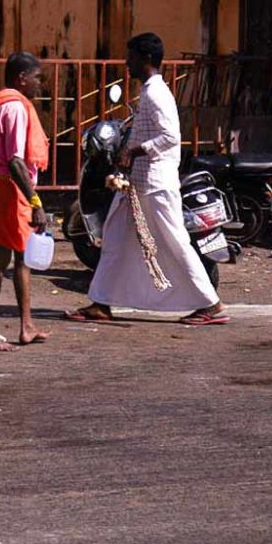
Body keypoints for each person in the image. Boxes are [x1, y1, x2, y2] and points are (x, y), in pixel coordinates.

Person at [69, 32, 228, 325]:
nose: (127, 64)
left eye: (130, 58)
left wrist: (135, 151)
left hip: (155, 185)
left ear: (145, 59)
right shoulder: (148, 93)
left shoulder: (156, 94)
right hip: (137, 184)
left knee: (175, 242)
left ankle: (212, 304)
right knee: (115, 238)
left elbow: (170, 137)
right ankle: (101, 302)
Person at [0, 52, 52, 351]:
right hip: (11, 187)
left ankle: (26, 325)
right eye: (37, 78)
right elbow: (16, 161)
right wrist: (35, 201)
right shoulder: (16, 108)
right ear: (22, 78)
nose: (39, 85)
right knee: (3, 258)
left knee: (18, 256)